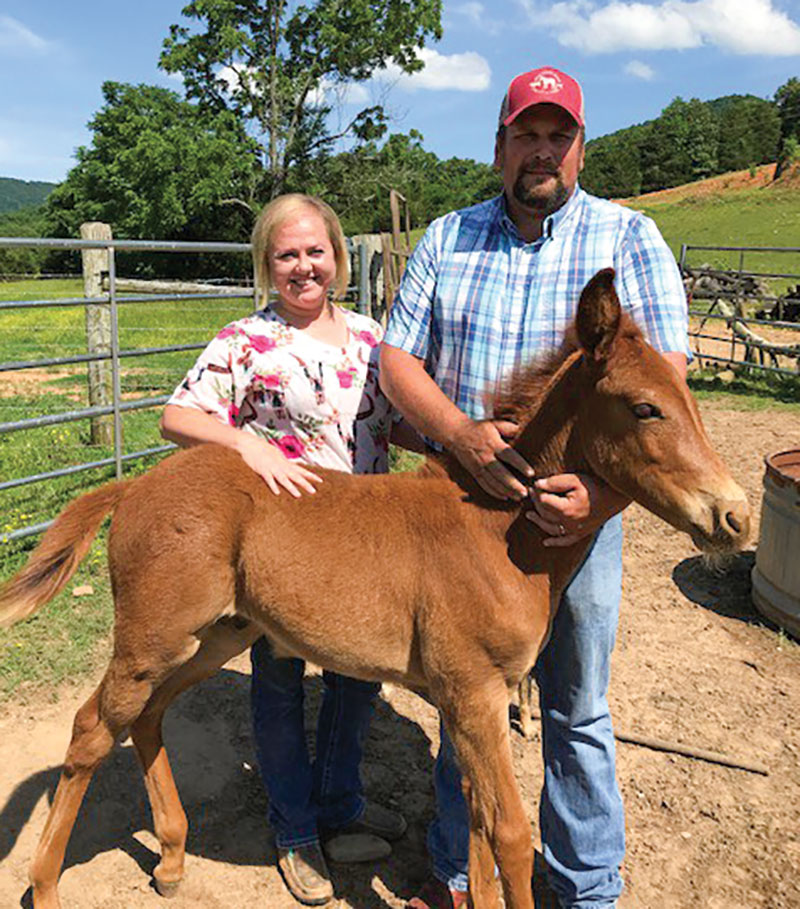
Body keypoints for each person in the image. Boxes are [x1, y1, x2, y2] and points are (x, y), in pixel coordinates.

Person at [379, 66, 691, 909]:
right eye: (527, 135)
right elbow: (395, 358)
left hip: (573, 521)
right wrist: (456, 434)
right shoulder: (449, 238)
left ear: (581, 149)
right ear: (500, 147)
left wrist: (606, 498)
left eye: (559, 137)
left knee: (577, 707)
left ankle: (587, 888)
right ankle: (457, 872)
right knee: (465, 697)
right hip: (462, 509)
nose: (542, 152)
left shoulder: (629, 240)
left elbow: (663, 395)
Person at [161, 193, 408, 906]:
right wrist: (244, 442)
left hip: (367, 537)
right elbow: (176, 416)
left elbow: (395, 424)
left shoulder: (370, 335)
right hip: (287, 545)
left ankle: (339, 803)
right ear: (268, 265)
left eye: (315, 251)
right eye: (287, 255)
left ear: (336, 254)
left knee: (358, 682)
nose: (304, 266)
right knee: (279, 684)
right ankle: (295, 826)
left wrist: (472, 439)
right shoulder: (245, 340)